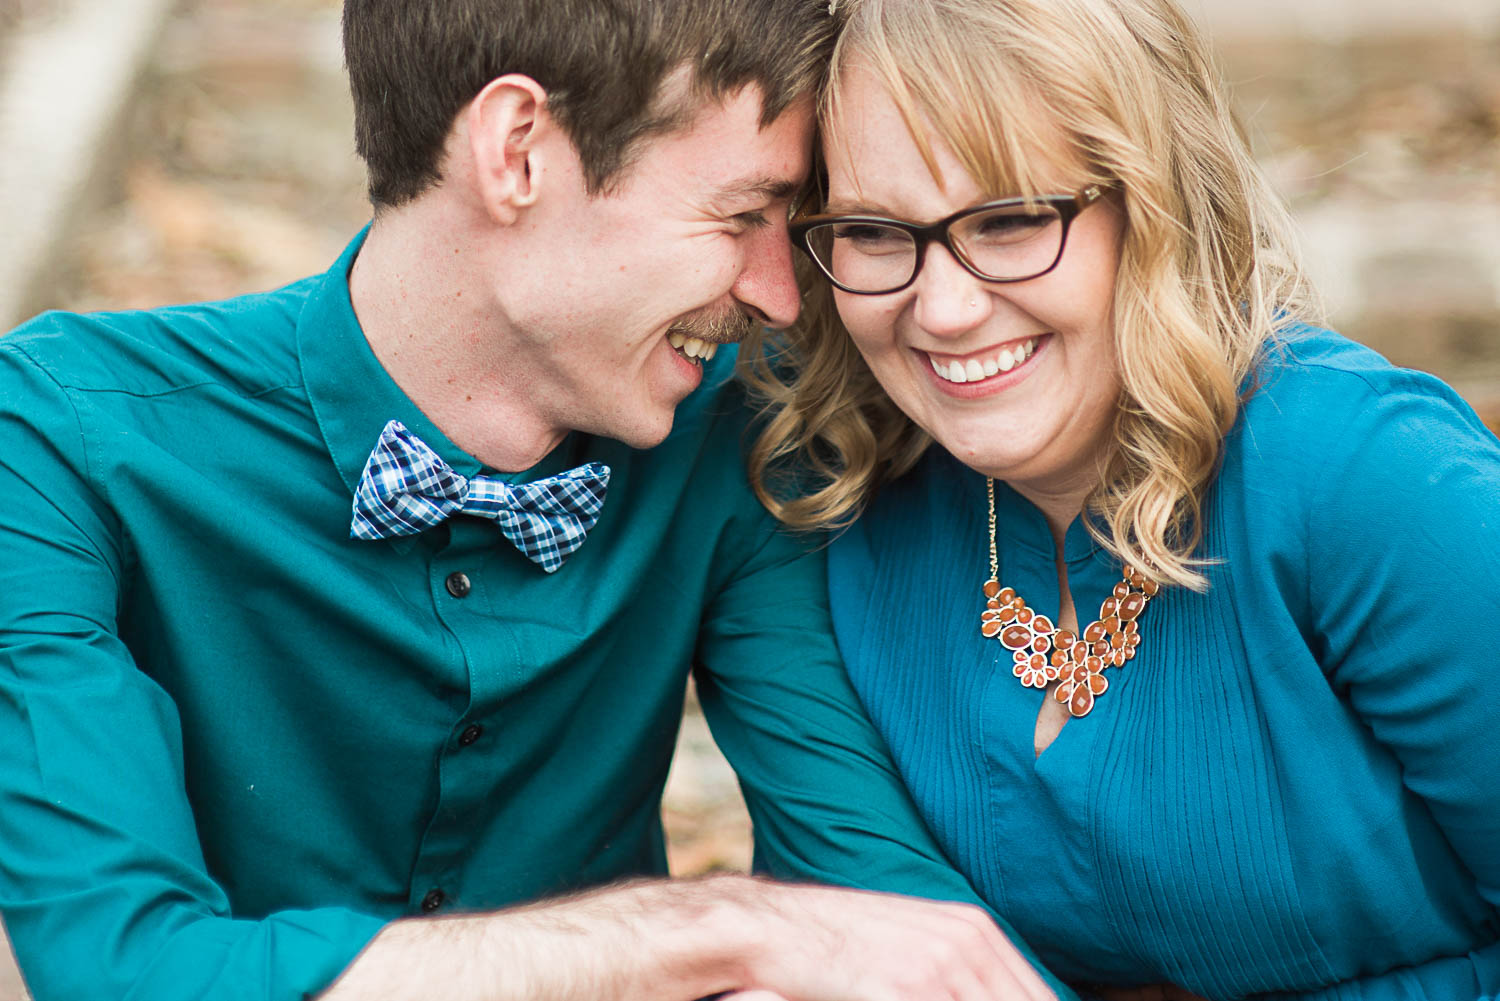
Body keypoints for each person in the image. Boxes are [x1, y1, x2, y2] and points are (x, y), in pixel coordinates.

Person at [0, 1, 1068, 999]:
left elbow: (877, 910)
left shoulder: (734, 429)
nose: (778, 292)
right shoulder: (63, 438)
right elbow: (116, 960)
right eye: (745, 213)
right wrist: (705, 928)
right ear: (515, 153)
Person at [744, 0, 1500, 998]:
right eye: (878, 233)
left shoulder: (1366, 478)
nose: (943, 308)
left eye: (1011, 221)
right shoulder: (844, 490)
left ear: (1153, 210)